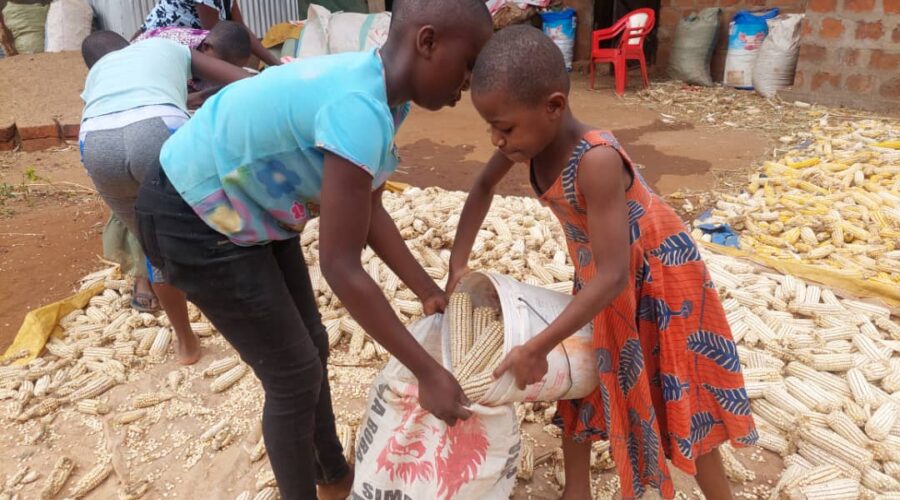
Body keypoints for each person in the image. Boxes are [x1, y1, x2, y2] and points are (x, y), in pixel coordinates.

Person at [133, 0, 493, 497]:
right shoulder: (360, 107)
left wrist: (427, 289)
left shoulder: (385, 96)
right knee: (293, 375)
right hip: (193, 214)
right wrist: (427, 371)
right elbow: (341, 267)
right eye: (468, 64)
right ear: (427, 43)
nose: (468, 84)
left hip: (246, 209)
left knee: (312, 344)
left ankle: (333, 477)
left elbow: (368, 210)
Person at [447, 25, 757, 500]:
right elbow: (483, 188)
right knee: (582, 380)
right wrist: (457, 265)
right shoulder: (529, 143)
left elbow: (617, 275)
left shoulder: (595, 160)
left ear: (553, 107)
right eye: (490, 126)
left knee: (679, 392)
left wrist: (539, 346)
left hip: (657, 278)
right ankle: (577, 490)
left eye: (503, 128)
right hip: (601, 274)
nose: (496, 139)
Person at [79, 31, 250, 364]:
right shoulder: (167, 45)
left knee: (154, 247)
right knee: (209, 225)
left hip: (97, 144)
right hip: (158, 128)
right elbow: (240, 81)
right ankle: (242, 321)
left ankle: (185, 343)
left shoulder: (97, 73)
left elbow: (120, 113)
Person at [138, 0, 281, 67]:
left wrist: (277, 65)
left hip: (183, 48)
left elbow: (241, 29)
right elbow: (219, 39)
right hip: (154, 52)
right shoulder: (208, 42)